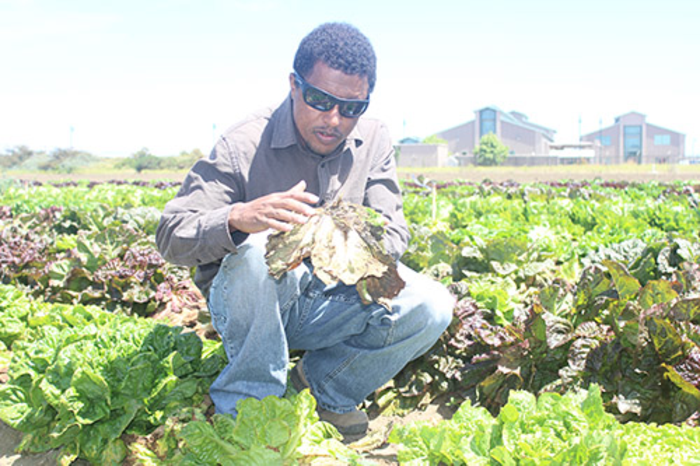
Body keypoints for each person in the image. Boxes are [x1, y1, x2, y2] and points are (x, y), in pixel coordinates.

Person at [156, 22, 454, 436]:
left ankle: (320, 390)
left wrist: (346, 235)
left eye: (351, 107)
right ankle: (248, 407)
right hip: (252, 306)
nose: (333, 119)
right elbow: (172, 233)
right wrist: (239, 217)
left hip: (330, 299)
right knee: (258, 253)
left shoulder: (374, 138)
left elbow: (394, 233)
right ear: (294, 85)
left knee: (431, 304)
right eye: (319, 99)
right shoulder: (242, 143)